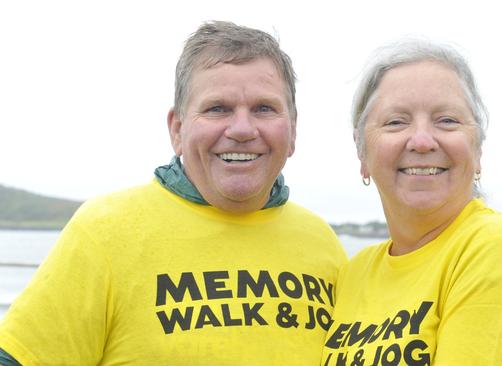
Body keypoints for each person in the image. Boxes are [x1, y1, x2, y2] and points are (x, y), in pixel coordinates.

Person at [0, 21, 347, 365]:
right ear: (177, 129)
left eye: (264, 108)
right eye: (217, 108)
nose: (242, 129)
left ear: (294, 130)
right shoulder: (104, 231)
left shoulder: (323, 244)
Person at [321, 40, 502, 366]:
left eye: (446, 120)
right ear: (362, 152)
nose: (420, 141)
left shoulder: (501, 248)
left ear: (477, 151)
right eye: (395, 122)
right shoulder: (356, 272)